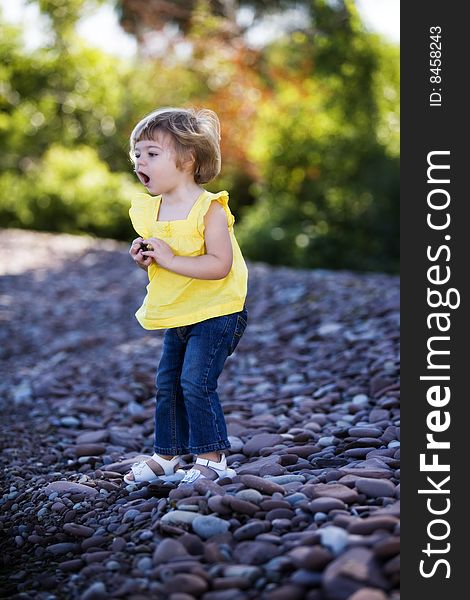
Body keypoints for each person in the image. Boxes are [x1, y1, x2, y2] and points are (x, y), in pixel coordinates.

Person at [123, 107, 248, 487]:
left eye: (151, 153)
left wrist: (172, 257)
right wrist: (148, 260)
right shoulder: (152, 211)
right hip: (179, 311)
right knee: (167, 384)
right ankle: (168, 453)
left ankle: (213, 457)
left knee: (195, 381)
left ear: (188, 158)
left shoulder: (208, 209)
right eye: (137, 154)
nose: (140, 160)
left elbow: (220, 265)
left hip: (217, 311)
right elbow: (167, 264)